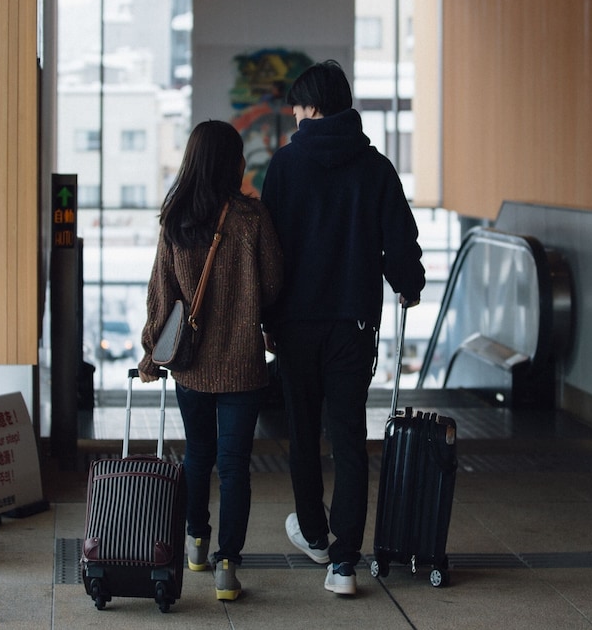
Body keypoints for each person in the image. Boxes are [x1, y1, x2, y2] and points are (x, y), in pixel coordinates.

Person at [261, 60, 425, 596]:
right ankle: (345, 566)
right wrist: (409, 283)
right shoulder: (375, 167)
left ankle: (314, 533)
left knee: (303, 434)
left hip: (296, 324)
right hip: (353, 326)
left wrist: (265, 318)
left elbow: (269, 252)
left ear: (312, 107)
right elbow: (399, 240)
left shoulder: (284, 167)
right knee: (350, 440)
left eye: (298, 106)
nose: (294, 115)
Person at [138, 119, 283, 602]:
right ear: (232, 163)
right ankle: (228, 567)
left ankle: (196, 543)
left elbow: (161, 295)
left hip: (192, 366)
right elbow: (273, 285)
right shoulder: (251, 218)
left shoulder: (175, 219)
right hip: (242, 364)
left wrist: (149, 351)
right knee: (234, 465)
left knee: (198, 455)